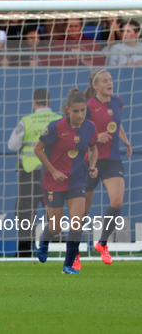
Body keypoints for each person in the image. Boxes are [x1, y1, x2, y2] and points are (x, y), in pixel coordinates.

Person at [34, 88, 98, 274]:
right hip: (54, 181)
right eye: (75, 111)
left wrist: (93, 165)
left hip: (77, 180)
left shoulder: (90, 128)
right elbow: (38, 149)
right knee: (56, 226)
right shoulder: (55, 127)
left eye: (83, 110)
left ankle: (68, 265)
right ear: (68, 109)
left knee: (77, 222)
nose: (80, 115)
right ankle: (44, 241)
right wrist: (53, 171)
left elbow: (93, 149)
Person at [82, 70, 132, 267]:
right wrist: (95, 138)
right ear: (96, 86)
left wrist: (126, 142)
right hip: (91, 162)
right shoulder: (88, 107)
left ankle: (102, 243)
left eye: (110, 80)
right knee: (82, 212)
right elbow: (79, 132)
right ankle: (74, 251)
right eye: (105, 81)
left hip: (112, 160)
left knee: (117, 201)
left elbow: (116, 124)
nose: (110, 83)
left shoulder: (117, 102)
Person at [8, 89, 62, 257]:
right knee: (54, 213)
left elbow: (12, 145)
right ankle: (62, 252)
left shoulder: (27, 121)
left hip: (30, 174)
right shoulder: (59, 121)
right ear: (50, 102)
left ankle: (24, 253)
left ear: (34, 102)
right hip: (53, 174)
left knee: (25, 214)